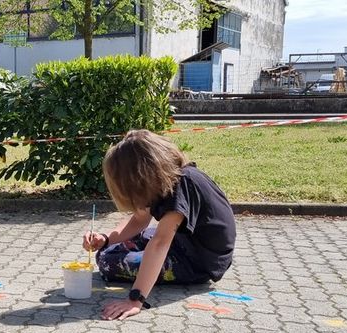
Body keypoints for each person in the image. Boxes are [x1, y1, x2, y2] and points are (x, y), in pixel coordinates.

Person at [82, 130, 236, 320]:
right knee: (107, 250)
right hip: (183, 243)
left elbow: (160, 243)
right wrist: (105, 239)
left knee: (107, 261)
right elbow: (140, 219)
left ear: (140, 176)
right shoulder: (169, 179)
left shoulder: (182, 185)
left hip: (198, 262)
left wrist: (135, 300)